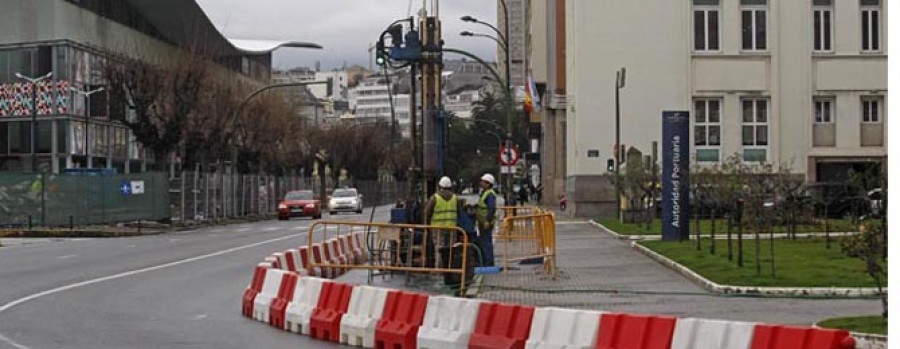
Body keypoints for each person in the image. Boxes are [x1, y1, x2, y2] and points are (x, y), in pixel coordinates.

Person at [476, 173, 498, 267]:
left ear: (488, 184)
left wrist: (487, 221)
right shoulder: (484, 193)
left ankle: (488, 262)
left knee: (486, 242)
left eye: (483, 182)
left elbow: (491, 208)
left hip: (486, 222)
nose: (481, 183)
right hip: (482, 222)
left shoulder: (489, 194)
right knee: (483, 241)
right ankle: (486, 260)